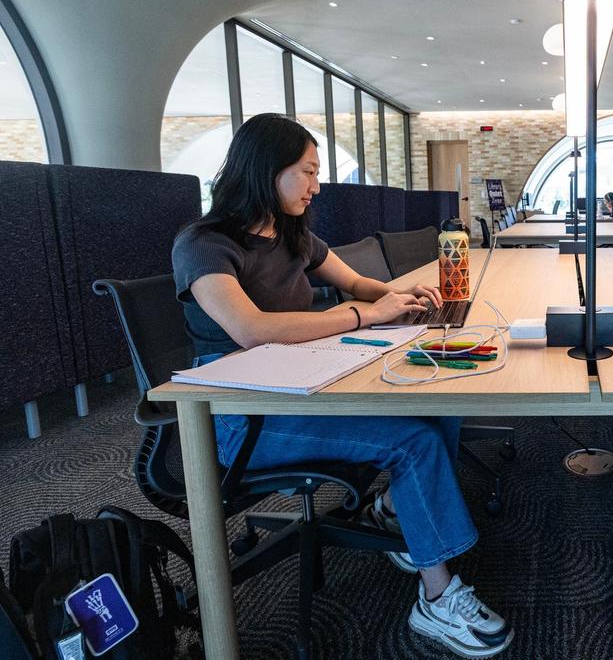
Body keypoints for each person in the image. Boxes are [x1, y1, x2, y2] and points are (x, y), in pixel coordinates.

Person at [171, 113, 513, 658]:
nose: (317, 185)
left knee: (440, 400)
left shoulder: (293, 237)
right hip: (242, 416)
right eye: (307, 172)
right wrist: (363, 316)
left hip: (303, 387)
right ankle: (438, 596)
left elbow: (354, 282)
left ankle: (401, 513)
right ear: (267, 171)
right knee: (414, 440)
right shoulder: (204, 244)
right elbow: (252, 329)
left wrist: (400, 299)